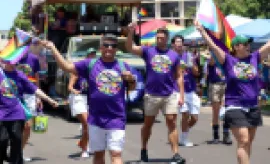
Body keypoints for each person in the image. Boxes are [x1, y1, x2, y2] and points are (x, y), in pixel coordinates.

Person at [40, 34, 136, 164]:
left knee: (116, 155)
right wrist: (53, 48)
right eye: (106, 45)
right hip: (96, 118)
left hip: (116, 118)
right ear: (100, 48)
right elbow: (67, 67)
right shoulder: (90, 64)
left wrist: (131, 79)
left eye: (113, 46)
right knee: (98, 155)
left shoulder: (123, 66)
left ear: (116, 49)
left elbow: (131, 87)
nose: (109, 48)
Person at [195, 20, 270, 164]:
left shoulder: (255, 57)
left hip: (253, 106)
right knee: (243, 140)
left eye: (249, 44)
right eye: (245, 44)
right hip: (234, 105)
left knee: (248, 143)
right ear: (236, 47)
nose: (249, 46)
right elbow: (213, 46)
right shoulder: (228, 60)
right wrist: (202, 31)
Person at [126, 25, 186, 164]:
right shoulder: (148, 51)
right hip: (151, 94)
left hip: (169, 94)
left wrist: (181, 95)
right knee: (148, 124)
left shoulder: (174, 55)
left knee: (171, 122)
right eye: (158, 38)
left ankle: (176, 154)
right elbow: (130, 47)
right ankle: (143, 150)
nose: (159, 40)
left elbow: (179, 76)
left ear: (167, 39)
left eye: (162, 38)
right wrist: (130, 33)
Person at [0, 61, 58, 164]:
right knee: (2, 140)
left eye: (14, 62)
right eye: (8, 62)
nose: (12, 64)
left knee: (17, 140)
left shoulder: (19, 75)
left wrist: (49, 99)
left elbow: (34, 89)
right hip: (1, 113)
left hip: (16, 113)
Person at [171, 35, 201, 147]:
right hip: (177, 90)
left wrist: (191, 65)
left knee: (194, 118)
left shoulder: (188, 56)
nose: (179, 44)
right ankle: (184, 139)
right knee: (185, 114)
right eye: (177, 42)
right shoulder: (171, 56)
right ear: (173, 44)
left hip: (190, 90)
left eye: (181, 42)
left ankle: (182, 132)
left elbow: (197, 73)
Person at [68, 47, 96, 158]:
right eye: (90, 55)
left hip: (90, 99)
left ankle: (82, 143)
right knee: (86, 123)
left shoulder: (95, 71)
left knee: (88, 125)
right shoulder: (78, 71)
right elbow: (69, 87)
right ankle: (84, 149)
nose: (92, 56)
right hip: (78, 98)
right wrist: (74, 90)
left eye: (94, 55)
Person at [16, 51, 41, 162]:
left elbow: (36, 76)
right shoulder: (13, 57)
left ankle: (19, 152)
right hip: (15, 94)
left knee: (27, 126)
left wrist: (38, 97)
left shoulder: (34, 58)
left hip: (30, 95)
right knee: (14, 125)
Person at [206, 55, 232, 145]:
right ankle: (216, 135)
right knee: (216, 111)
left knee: (226, 110)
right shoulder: (213, 60)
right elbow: (211, 61)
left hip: (226, 85)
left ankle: (226, 134)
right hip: (215, 85)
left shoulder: (227, 60)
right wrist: (215, 49)